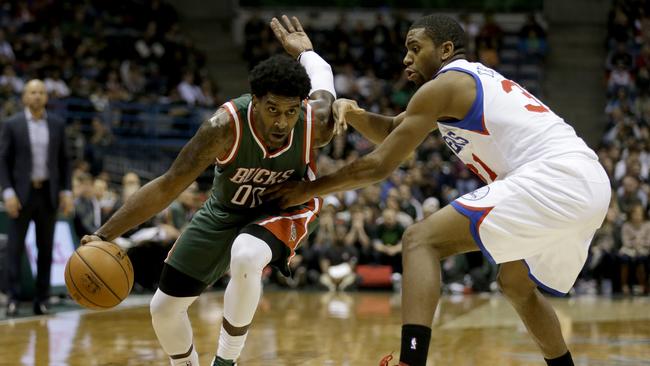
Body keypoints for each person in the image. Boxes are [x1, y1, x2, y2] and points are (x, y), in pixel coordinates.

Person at [265, 14, 610, 366]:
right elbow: (391, 131)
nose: (406, 59)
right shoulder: (456, 86)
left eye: (415, 48)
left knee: (420, 240)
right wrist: (352, 113)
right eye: (405, 50)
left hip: (557, 177)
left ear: (445, 49)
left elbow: (380, 164)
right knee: (516, 285)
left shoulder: (446, 85)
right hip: (586, 182)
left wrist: (308, 189)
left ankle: (411, 361)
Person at [80, 15, 336, 366]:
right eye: (273, 109)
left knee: (246, 255)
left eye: (291, 111)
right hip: (225, 210)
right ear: (255, 101)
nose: (281, 121)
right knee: (164, 308)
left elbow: (323, 79)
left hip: (286, 207)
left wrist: (305, 52)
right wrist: (103, 234)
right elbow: (168, 185)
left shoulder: (315, 124)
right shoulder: (223, 126)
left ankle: (225, 362)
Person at [0, 79, 73, 316]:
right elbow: (3, 161)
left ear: (46, 97)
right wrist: (8, 192)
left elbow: (64, 161)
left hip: (48, 194)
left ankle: (42, 298)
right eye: (32, 92)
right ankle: (12, 298)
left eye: (41, 92)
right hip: (21, 195)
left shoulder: (57, 124)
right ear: (24, 97)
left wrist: (66, 191)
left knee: (46, 248)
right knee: (15, 248)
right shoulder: (12, 124)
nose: (37, 96)